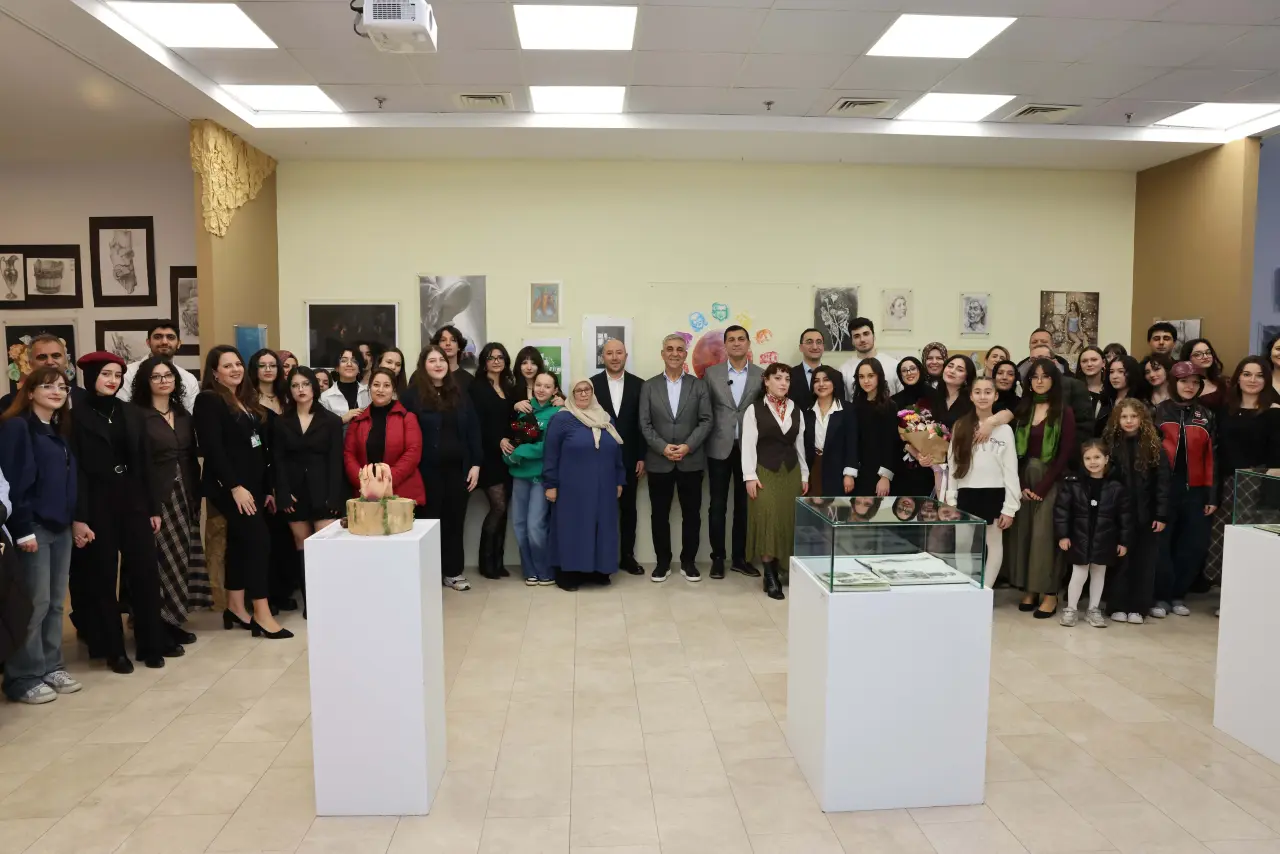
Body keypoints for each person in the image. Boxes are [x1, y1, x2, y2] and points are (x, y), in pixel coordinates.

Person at [67, 352, 174, 671]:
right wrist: (79, 516)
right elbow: (75, 469)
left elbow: (144, 462)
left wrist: (153, 507)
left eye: (117, 375)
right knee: (102, 577)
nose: (112, 380)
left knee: (145, 572)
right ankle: (112, 649)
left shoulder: (130, 412)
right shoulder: (74, 416)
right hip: (96, 503)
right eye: (106, 374)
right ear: (91, 376)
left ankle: (150, 644)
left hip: (134, 500)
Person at [194, 345, 293, 639]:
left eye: (237, 364)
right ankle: (262, 613)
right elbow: (213, 449)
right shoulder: (209, 400)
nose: (235, 369)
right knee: (259, 542)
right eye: (227, 366)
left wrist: (265, 489)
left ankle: (236, 607)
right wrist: (235, 487)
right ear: (215, 372)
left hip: (253, 487)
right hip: (230, 488)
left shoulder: (245, 400)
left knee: (239, 544)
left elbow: (256, 449)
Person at [0, 368, 80, 703]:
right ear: (30, 391)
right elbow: (13, 482)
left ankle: (51, 666)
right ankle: (23, 676)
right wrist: (21, 530)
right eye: (47, 386)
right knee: (34, 603)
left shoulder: (59, 428)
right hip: (31, 526)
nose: (56, 391)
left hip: (60, 526)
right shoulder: (17, 427)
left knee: (55, 603)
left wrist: (76, 520)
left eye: (62, 386)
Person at [131, 355, 212, 645]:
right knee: (158, 562)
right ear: (146, 382)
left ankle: (174, 619)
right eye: (156, 376)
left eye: (168, 376)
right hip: (156, 497)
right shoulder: (137, 416)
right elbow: (136, 463)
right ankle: (154, 623)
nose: (164, 380)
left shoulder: (183, 415)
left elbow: (190, 456)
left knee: (180, 559)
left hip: (186, 495)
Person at [402, 346, 482, 591]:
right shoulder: (411, 396)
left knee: (454, 522)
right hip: (424, 472)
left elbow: (473, 430)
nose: (438, 364)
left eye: (442, 360)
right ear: (423, 365)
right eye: (432, 360)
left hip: (458, 470)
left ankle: (453, 572)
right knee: (426, 523)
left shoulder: (459, 394)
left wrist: (476, 464)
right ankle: (426, 574)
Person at [639, 333, 712, 583]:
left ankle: (689, 562)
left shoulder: (699, 386)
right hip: (659, 461)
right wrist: (663, 448)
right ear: (662, 354)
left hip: (691, 460)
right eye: (669, 349)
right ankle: (662, 562)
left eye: (679, 349)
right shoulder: (649, 386)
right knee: (659, 515)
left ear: (685, 354)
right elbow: (644, 424)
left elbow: (706, 420)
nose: (674, 353)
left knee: (692, 514)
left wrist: (687, 446)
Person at [274, 366, 346, 616]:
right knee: (302, 547)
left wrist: (335, 496)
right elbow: (278, 460)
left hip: (324, 492)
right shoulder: (281, 422)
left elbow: (336, 461)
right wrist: (283, 492)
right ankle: (311, 604)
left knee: (325, 549)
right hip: (294, 494)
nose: (301, 389)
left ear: (314, 388)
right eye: (295, 385)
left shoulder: (331, 421)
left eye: (305, 384)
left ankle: (329, 602)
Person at [543, 380, 627, 590]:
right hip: (572, 489)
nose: (583, 393)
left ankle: (599, 570)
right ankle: (569, 574)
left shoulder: (606, 418)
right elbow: (551, 453)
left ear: (592, 392)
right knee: (573, 528)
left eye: (587, 389)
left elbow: (617, 452)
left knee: (602, 527)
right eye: (578, 390)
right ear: (571, 394)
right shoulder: (562, 419)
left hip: (604, 486)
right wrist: (550, 484)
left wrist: (619, 480)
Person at [1008, 358, 1076, 618]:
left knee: (1044, 538)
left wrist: (1044, 485)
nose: (1039, 381)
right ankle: (1030, 588)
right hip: (1024, 480)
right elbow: (1015, 452)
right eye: (1034, 376)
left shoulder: (1063, 411)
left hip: (1051, 480)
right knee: (1024, 535)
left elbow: (1065, 453)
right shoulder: (1023, 409)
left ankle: (1049, 592)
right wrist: (1023, 484)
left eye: (1045, 376)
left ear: (1053, 380)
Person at [1205, 357, 1280, 583]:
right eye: (1247, 374)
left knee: (1255, 536)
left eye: (1259, 375)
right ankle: (1225, 586)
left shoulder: (1274, 412)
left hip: (1260, 482)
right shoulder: (1224, 411)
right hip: (1228, 483)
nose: (1252, 380)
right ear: (1238, 378)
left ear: (1266, 380)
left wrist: (1267, 486)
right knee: (1224, 535)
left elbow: (1277, 455)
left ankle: (1250, 585)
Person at [1152, 361, 1218, 618]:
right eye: (1184, 381)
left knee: (1192, 545)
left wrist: (1211, 494)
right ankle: (1160, 596)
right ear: (1173, 383)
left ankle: (1178, 594)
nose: (1189, 386)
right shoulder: (1159, 412)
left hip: (1196, 490)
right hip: (1164, 488)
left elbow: (1213, 457)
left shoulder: (1207, 415)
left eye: (1195, 382)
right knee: (1162, 544)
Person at [742, 363, 809, 600]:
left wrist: (804, 475)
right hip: (764, 472)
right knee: (767, 520)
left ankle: (781, 569)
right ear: (766, 381)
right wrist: (749, 476)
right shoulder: (754, 410)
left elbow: (800, 445)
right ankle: (769, 576)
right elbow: (748, 445)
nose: (783, 383)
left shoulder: (796, 409)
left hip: (790, 472)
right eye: (778, 378)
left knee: (786, 520)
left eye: (787, 379)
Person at [945, 378, 1020, 589]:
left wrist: (1010, 508)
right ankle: (967, 588)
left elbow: (1010, 469)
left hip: (994, 494)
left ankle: (985, 590)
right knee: (962, 545)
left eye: (988, 392)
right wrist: (951, 499)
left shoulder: (1004, 430)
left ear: (996, 396)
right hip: (966, 493)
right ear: (971, 396)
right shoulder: (960, 426)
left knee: (993, 545)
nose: (983, 396)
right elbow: (952, 465)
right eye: (978, 392)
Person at [1102, 399, 1170, 624]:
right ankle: (1117, 605)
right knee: (1119, 562)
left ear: (1142, 419)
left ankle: (1138, 607)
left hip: (1146, 515)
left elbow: (1162, 484)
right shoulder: (1110, 445)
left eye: (1134, 416)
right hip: (1117, 516)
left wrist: (1161, 514)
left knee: (1144, 562)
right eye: (1124, 416)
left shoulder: (1154, 446)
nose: (1129, 421)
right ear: (1117, 419)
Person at [705, 325, 763, 580]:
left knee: (745, 506)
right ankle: (718, 558)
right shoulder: (711, 374)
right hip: (719, 447)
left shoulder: (762, 375)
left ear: (748, 344)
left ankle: (740, 558)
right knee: (717, 506)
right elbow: (705, 411)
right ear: (725, 345)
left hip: (750, 449)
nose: (736, 343)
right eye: (731, 339)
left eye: (741, 339)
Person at [1054, 440, 1131, 628]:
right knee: (1078, 573)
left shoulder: (1116, 487)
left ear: (1106, 459)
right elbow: (1062, 511)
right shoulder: (1073, 484)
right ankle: (1071, 609)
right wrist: (1063, 535)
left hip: (1105, 538)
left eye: (1097, 457)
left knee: (1099, 573)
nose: (1093, 462)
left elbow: (1124, 517)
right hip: (1079, 537)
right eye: (1088, 458)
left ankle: (1093, 609)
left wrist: (1123, 541)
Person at [591, 338, 646, 575]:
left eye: (619, 353)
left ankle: (627, 556)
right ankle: (601, 557)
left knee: (629, 509)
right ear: (602, 357)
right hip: (599, 458)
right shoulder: (591, 385)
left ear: (626, 355)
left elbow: (644, 424)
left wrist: (642, 456)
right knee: (601, 510)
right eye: (609, 353)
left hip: (630, 458)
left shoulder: (640, 385)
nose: (614, 357)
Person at [505, 371, 560, 586]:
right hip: (519, 475)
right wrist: (509, 454)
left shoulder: (558, 413)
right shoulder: (524, 410)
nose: (542, 389)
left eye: (547, 386)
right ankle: (529, 570)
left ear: (555, 390)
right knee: (519, 525)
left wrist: (519, 453)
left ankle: (545, 571)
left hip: (540, 477)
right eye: (538, 385)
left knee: (535, 525)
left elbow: (549, 446)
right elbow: (515, 441)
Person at [345, 367, 425, 505]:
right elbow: (349, 455)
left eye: (386, 385)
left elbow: (413, 453)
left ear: (393, 390)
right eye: (376, 385)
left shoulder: (407, 418)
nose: (380, 390)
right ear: (369, 388)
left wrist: (386, 480)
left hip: (402, 494)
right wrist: (364, 481)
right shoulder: (357, 421)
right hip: (366, 494)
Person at [470, 343, 516, 580]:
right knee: (498, 507)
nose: (496, 361)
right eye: (491, 357)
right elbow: (476, 424)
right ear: (484, 362)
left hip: (507, 456)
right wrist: (497, 440)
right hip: (487, 455)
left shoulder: (508, 387)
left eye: (500, 357)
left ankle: (498, 561)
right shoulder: (477, 387)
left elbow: (510, 420)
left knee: (504, 509)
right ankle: (486, 563)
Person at [117, 321, 200, 413]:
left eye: (170, 337)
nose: (164, 342)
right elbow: (123, 411)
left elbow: (189, 416)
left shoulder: (189, 379)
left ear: (179, 343)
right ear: (148, 342)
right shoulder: (127, 373)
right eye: (158, 337)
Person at [804, 365, 857, 498]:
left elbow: (852, 443)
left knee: (835, 507)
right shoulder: (807, 411)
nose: (821, 384)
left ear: (834, 383)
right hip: (813, 467)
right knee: (813, 506)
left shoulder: (847, 409)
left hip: (838, 469)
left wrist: (849, 474)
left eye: (826, 380)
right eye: (816, 381)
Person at [891, 357, 938, 498]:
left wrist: (928, 453)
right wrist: (914, 452)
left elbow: (942, 427)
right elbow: (893, 434)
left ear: (920, 370)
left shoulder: (936, 396)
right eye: (904, 370)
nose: (909, 373)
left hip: (932, 462)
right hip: (904, 464)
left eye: (912, 369)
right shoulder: (894, 401)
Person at [850, 358, 898, 497]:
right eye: (861, 377)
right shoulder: (855, 406)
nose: (866, 381)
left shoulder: (890, 406)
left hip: (880, 473)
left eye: (870, 376)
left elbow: (891, 444)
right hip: (859, 471)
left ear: (879, 377)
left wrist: (885, 476)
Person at [0, 334, 74, 413]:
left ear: (65, 361)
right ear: (30, 363)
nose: (50, 362)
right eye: (42, 357)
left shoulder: (82, 397)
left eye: (56, 356)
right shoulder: (8, 403)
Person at [840, 318, 901, 398]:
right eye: (857, 336)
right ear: (852, 341)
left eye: (866, 334)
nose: (862, 339)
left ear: (874, 336)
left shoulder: (894, 365)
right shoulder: (844, 370)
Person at [319, 346, 370, 425]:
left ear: (359, 368)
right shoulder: (325, 397)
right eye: (344, 360)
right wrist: (342, 420)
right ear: (337, 368)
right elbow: (322, 427)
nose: (349, 364)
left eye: (354, 361)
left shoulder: (368, 393)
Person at [1181, 338, 1227, 411]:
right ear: (1187, 359)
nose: (1205, 357)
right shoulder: (1179, 383)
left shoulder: (1222, 383)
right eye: (1198, 354)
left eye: (1208, 352)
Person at [789, 328, 826, 411]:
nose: (815, 347)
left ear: (823, 347)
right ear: (801, 347)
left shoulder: (835, 376)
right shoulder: (789, 375)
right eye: (809, 342)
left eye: (819, 342)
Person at [432, 325, 473, 392]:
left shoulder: (469, 380)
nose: (448, 343)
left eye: (453, 340)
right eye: (443, 340)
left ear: (459, 346)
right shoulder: (423, 376)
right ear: (437, 345)